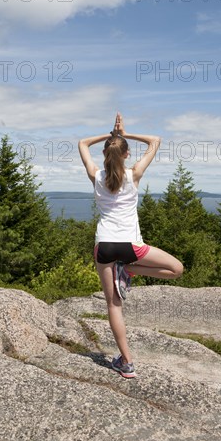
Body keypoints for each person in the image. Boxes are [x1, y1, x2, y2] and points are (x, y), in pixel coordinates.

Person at [78, 112, 184, 378]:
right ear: (126, 155)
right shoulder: (134, 174)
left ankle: (126, 362)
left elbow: (82, 143)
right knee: (176, 269)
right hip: (131, 247)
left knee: (114, 306)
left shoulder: (96, 175)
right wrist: (123, 134)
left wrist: (110, 136)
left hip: (104, 246)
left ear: (104, 153)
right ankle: (132, 270)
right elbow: (155, 140)